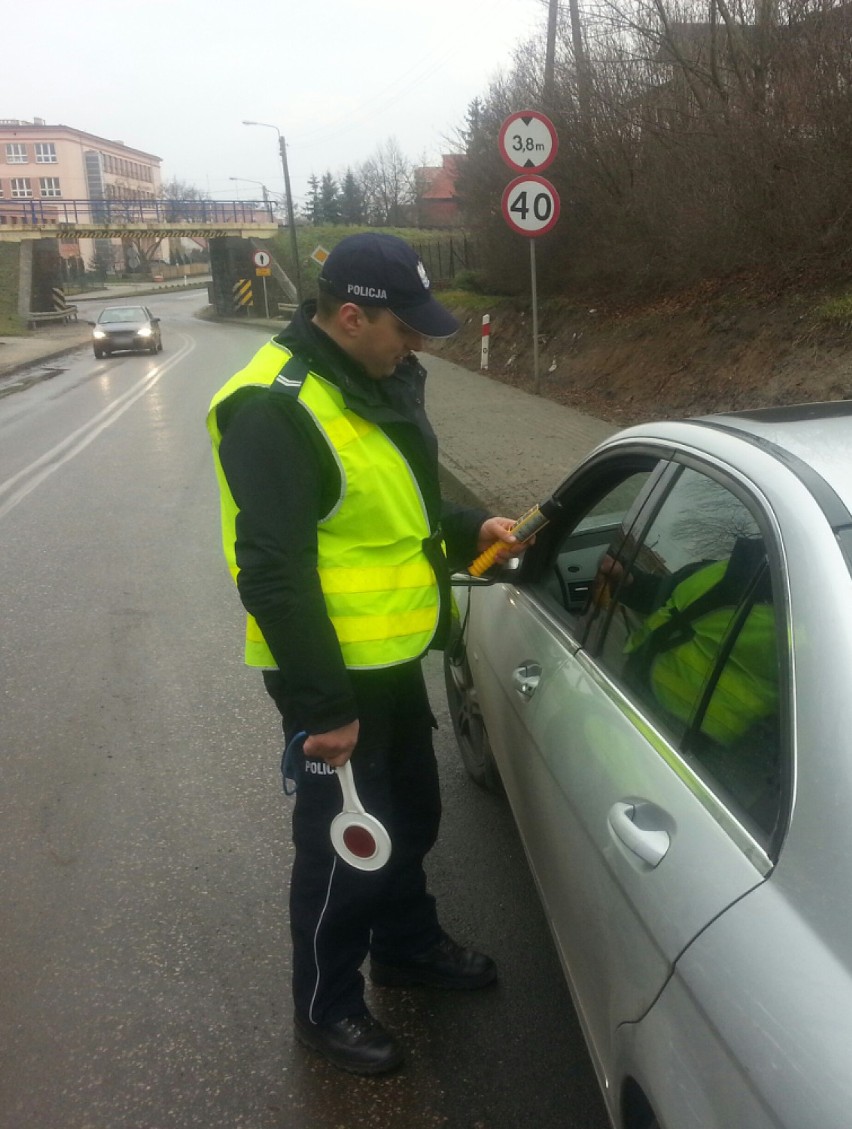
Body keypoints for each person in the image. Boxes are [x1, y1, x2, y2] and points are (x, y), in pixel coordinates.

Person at [207, 233, 521, 1076]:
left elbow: (400, 515)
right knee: (347, 847)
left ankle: (405, 946)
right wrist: (322, 706)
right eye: (404, 327)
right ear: (351, 316)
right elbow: (273, 574)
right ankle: (326, 1005)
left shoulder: (372, 379)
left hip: (389, 659)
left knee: (411, 813)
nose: (416, 342)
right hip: (330, 677)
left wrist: (467, 530)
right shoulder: (274, 407)